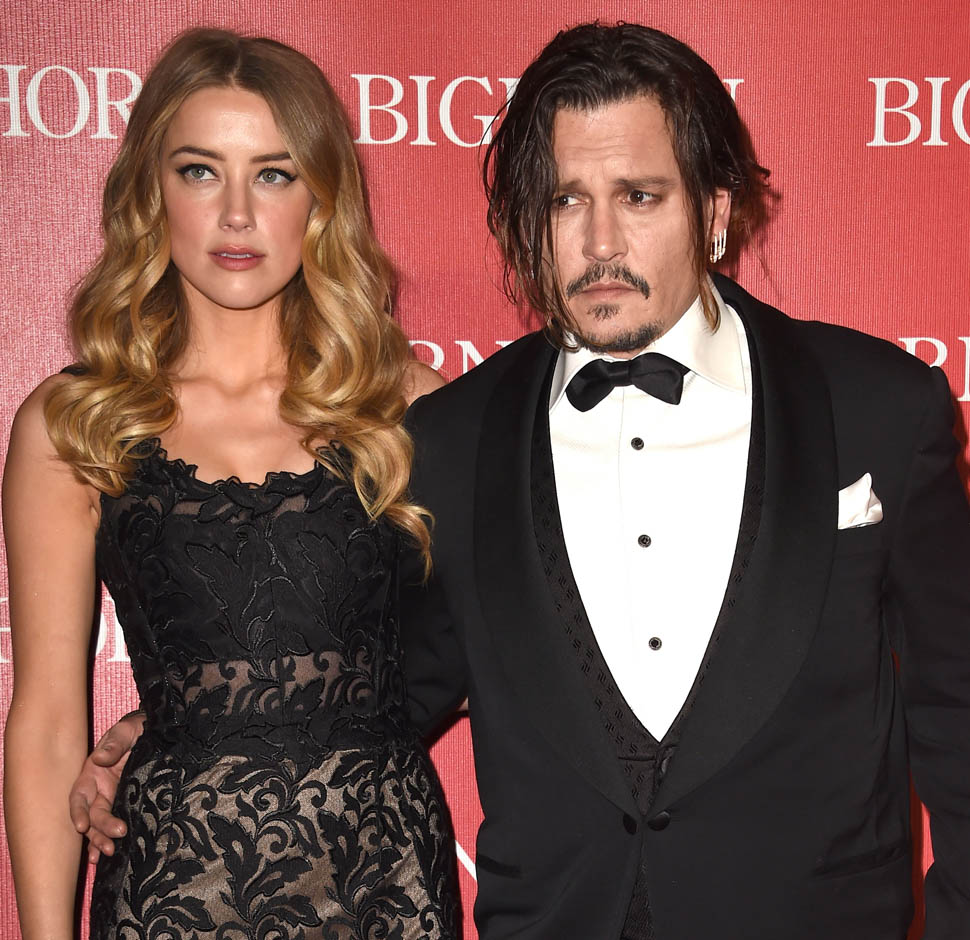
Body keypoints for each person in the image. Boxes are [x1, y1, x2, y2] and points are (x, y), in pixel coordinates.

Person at [70, 21, 970, 940]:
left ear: (713, 212)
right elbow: (385, 686)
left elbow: (959, 708)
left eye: (640, 196)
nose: (601, 241)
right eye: (565, 200)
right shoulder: (454, 436)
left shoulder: (876, 406)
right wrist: (189, 730)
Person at [3, 28, 459, 940]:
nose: (238, 214)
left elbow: (490, 654)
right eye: (201, 171)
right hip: (176, 895)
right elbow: (48, 721)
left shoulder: (406, 407)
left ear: (321, 197)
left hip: (384, 891)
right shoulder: (77, 422)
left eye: (275, 174)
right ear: (152, 190)